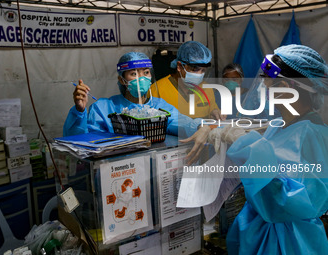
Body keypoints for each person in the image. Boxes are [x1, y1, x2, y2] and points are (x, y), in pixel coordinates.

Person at [210, 44, 328, 254]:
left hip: (288, 240)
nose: (260, 86)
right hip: (258, 228)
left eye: (265, 79)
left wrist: (249, 150)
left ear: (283, 89)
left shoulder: (312, 135)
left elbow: (292, 202)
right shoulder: (280, 125)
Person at [63, 51, 211, 163]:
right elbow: (80, 141)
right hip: (116, 171)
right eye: (133, 74)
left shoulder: (159, 106)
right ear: (121, 79)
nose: (141, 79)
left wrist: (201, 126)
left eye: (146, 73)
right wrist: (79, 111)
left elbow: (181, 122)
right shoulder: (103, 108)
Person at [150, 41, 224, 120]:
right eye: (194, 69)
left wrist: (214, 113)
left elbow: (212, 111)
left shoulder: (207, 89)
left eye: (203, 71)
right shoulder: (157, 90)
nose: (199, 74)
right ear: (179, 66)